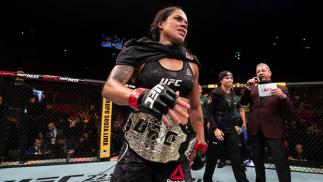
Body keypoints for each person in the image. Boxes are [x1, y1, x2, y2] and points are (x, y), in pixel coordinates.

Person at [101, 6, 207, 182]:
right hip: (137, 147)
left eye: (186, 23)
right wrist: (142, 95)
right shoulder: (139, 52)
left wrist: (201, 142)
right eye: (178, 19)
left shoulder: (191, 63)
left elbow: (195, 107)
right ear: (161, 24)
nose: (184, 25)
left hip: (174, 149)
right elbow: (109, 88)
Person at [240, 63, 293, 182]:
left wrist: (283, 97)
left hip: (273, 129)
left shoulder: (280, 88)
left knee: (280, 160)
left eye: (263, 70)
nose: (260, 73)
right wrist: (248, 88)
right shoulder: (252, 89)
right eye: (258, 71)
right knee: (257, 160)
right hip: (255, 129)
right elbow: (243, 103)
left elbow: (289, 109)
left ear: (270, 73)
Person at [203, 71, 248, 182]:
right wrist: (215, 128)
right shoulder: (214, 94)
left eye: (231, 77)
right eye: (227, 78)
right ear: (221, 80)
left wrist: (236, 125)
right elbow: (209, 113)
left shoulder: (232, 94)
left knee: (236, 159)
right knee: (212, 159)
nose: (230, 80)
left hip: (231, 129)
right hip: (217, 130)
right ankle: (207, 179)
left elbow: (232, 112)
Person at [0, 70, 36, 164]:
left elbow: (0, 99)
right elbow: (32, 101)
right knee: (22, 137)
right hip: (20, 113)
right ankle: (22, 159)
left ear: (15, 76)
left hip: (8, 112)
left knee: (3, 136)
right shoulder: (28, 87)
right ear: (23, 77)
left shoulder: (7, 85)